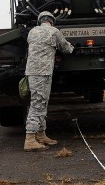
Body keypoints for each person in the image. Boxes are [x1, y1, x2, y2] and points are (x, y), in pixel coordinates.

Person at [24, 11, 73, 151]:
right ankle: (30, 139)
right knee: (38, 104)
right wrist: (73, 47)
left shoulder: (32, 32)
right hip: (43, 73)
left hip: (32, 72)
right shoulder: (53, 31)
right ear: (52, 21)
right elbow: (65, 48)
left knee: (42, 102)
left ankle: (41, 134)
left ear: (40, 21)